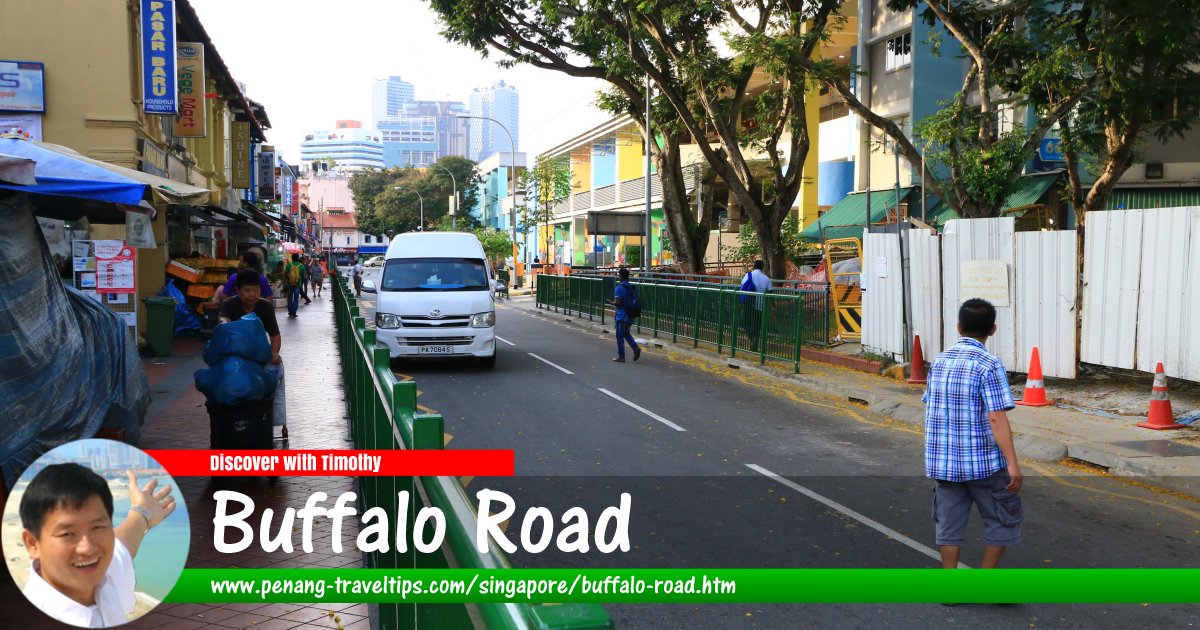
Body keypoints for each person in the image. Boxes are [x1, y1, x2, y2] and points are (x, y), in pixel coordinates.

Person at [923, 298, 1022, 571]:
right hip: (984, 465)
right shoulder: (989, 364)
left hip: (944, 464)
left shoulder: (939, 362)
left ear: (958, 327)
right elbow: (996, 416)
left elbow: (931, 403)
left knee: (949, 523)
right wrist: (1012, 463)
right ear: (993, 330)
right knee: (1001, 518)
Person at [19, 463, 175, 627]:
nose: (88, 548)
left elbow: (123, 543)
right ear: (32, 543)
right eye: (67, 534)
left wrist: (143, 512)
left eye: (97, 527)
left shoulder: (103, 576)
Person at [220, 269, 286, 435]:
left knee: (276, 372)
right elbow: (223, 321)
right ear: (238, 291)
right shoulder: (229, 304)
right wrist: (225, 323)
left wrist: (274, 353)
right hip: (234, 356)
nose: (252, 295)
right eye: (247, 290)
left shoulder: (265, 306)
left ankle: (275, 421)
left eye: (256, 290)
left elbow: (275, 335)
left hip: (259, 356)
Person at [605, 267, 640, 363]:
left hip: (622, 315)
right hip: (631, 314)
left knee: (619, 336)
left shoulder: (619, 288)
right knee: (626, 333)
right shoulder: (632, 287)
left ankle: (622, 356)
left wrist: (611, 302)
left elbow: (618, 303)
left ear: (620, 276)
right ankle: (635, 348)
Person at [740, 260, 772, 350]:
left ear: (753, 266)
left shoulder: (748, 275)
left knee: (744, 322)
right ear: (762, 268)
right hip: (761, 305)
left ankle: (753, 338)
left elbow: (742, 286)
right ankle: (755, 343)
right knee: (757, 325)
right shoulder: (766, 279)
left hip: (748, 303)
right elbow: (770, 291)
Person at [283, 254, 305, 318]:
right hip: (297, 284)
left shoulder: (289, 265)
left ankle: (290, 311)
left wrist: (288, 279)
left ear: (292, 258)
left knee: (290, 298)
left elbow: (286, 274)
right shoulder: (301, 266)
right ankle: (294, 312)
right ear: (298, 258)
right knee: (296, 298)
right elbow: (302, 275)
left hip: (290, 283)